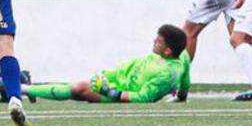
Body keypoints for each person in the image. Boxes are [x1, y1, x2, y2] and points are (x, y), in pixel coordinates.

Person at [27, 25, 191, 103]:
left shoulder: (167, 73)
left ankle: (22, 88)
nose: (154, 41)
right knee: (76, 88)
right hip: (114, 82)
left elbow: (144, 98)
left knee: (78, 88)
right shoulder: (181, 55)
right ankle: (26, 89)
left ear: (168, 51)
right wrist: (181, 96)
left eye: (159, 41)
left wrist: (111, 92)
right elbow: (186, 79)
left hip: (120, 94)